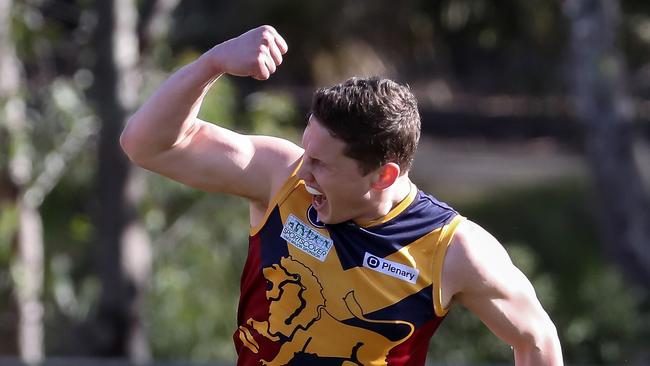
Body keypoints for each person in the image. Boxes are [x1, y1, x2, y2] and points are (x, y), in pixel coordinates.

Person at [120, 25, 563, 366]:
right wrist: (211, 64)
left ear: (383, 176)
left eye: (322, 164)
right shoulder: (280, 177)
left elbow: (536, 340)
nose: (304, 172)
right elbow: (146, 144)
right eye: (306, 150)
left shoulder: (452, 249)